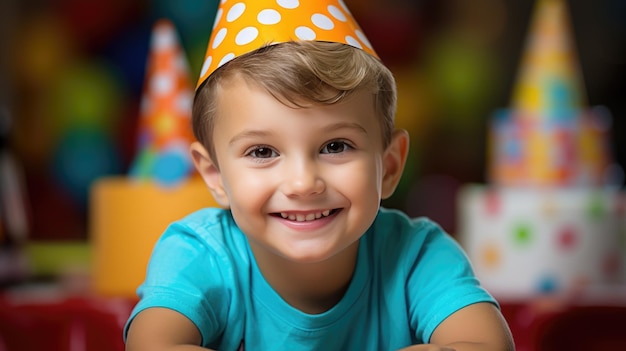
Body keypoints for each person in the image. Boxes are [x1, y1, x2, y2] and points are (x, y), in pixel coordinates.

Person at [124, 1, 515, 350]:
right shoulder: (200, 252)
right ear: (215, 176)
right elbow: (151, 343)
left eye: (335, 146)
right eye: (262, 152)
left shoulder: (416, 255)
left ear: (390, 166)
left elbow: (485, 343)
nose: (302, 183)